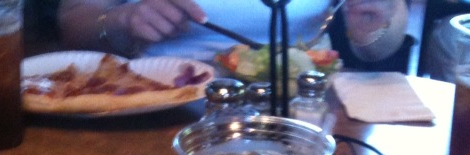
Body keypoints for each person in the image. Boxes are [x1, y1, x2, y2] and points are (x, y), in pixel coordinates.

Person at [58, 0, 411, 69]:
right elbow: (72, 23)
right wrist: (123, 18)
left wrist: (372, 24)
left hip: (305, 110)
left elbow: (377, 50)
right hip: (162, 105)